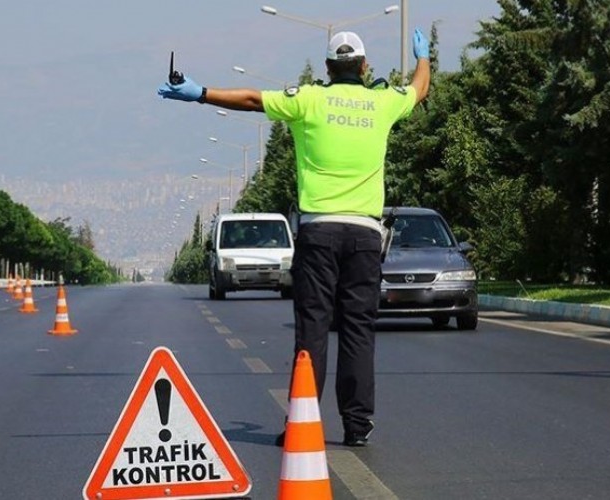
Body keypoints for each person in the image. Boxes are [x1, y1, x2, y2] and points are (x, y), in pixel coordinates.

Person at [159, 28, 431, 446]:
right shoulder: (383, 103)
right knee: (358, 329)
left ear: (326, 68)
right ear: (363, 67)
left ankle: (303, 420)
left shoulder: (308, 99)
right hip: (364, 235)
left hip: (318, 233)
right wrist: (423, 57)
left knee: (313, 328)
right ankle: (357, 426)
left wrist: (200, 93)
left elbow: (251, 100)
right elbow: (419, 89)